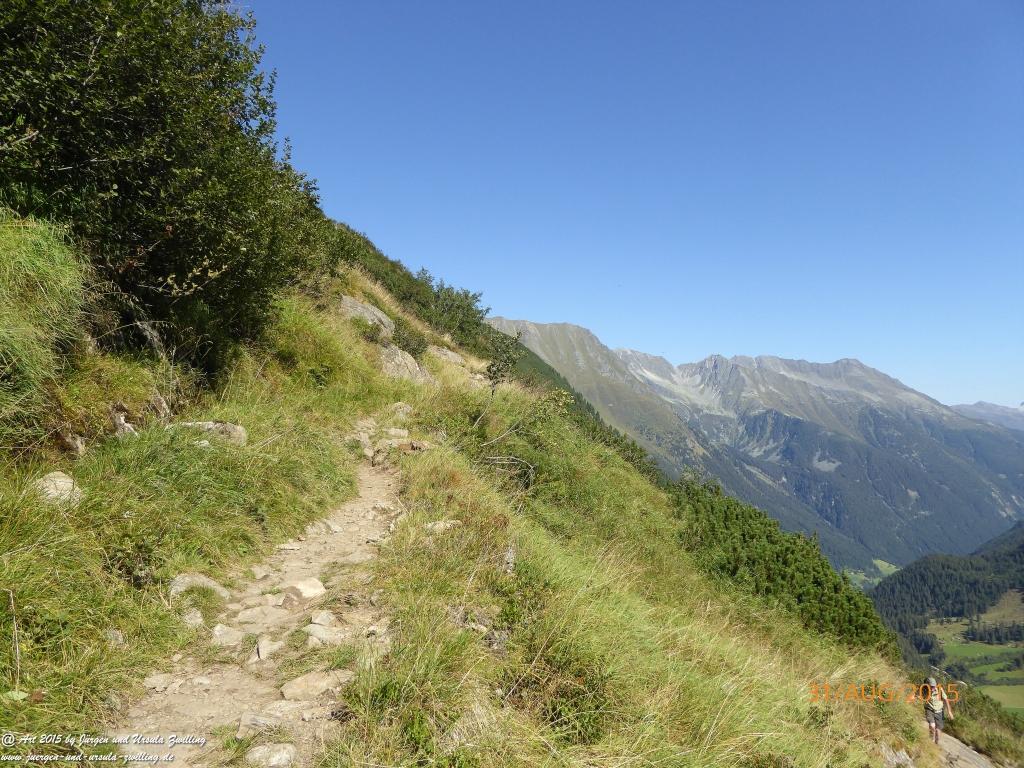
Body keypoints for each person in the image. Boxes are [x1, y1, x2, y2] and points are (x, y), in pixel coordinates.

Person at [922, 676, 953, 744]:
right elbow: (915, 695)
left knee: (938, 732)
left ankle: (936, 742)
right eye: (931, 686)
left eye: (934, 686)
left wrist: (949, 712)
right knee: (932, 725)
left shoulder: (939, 689)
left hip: (939, 711)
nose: (933, 688)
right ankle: (931, 740)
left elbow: (946, 700)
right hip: (929, 710)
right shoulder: (923, 689)